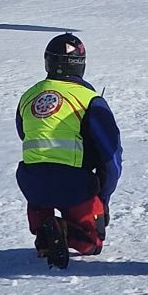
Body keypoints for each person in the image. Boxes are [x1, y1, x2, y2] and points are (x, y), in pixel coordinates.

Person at [15, 33, 123, 269]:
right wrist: (102, 197)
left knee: (43, 194)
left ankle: (45, 233)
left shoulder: (29, 95)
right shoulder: (89, 99)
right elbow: (111, 156)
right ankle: (64, 230)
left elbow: (24, 133)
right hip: (74, 184)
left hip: (31, 182)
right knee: (92, 243)